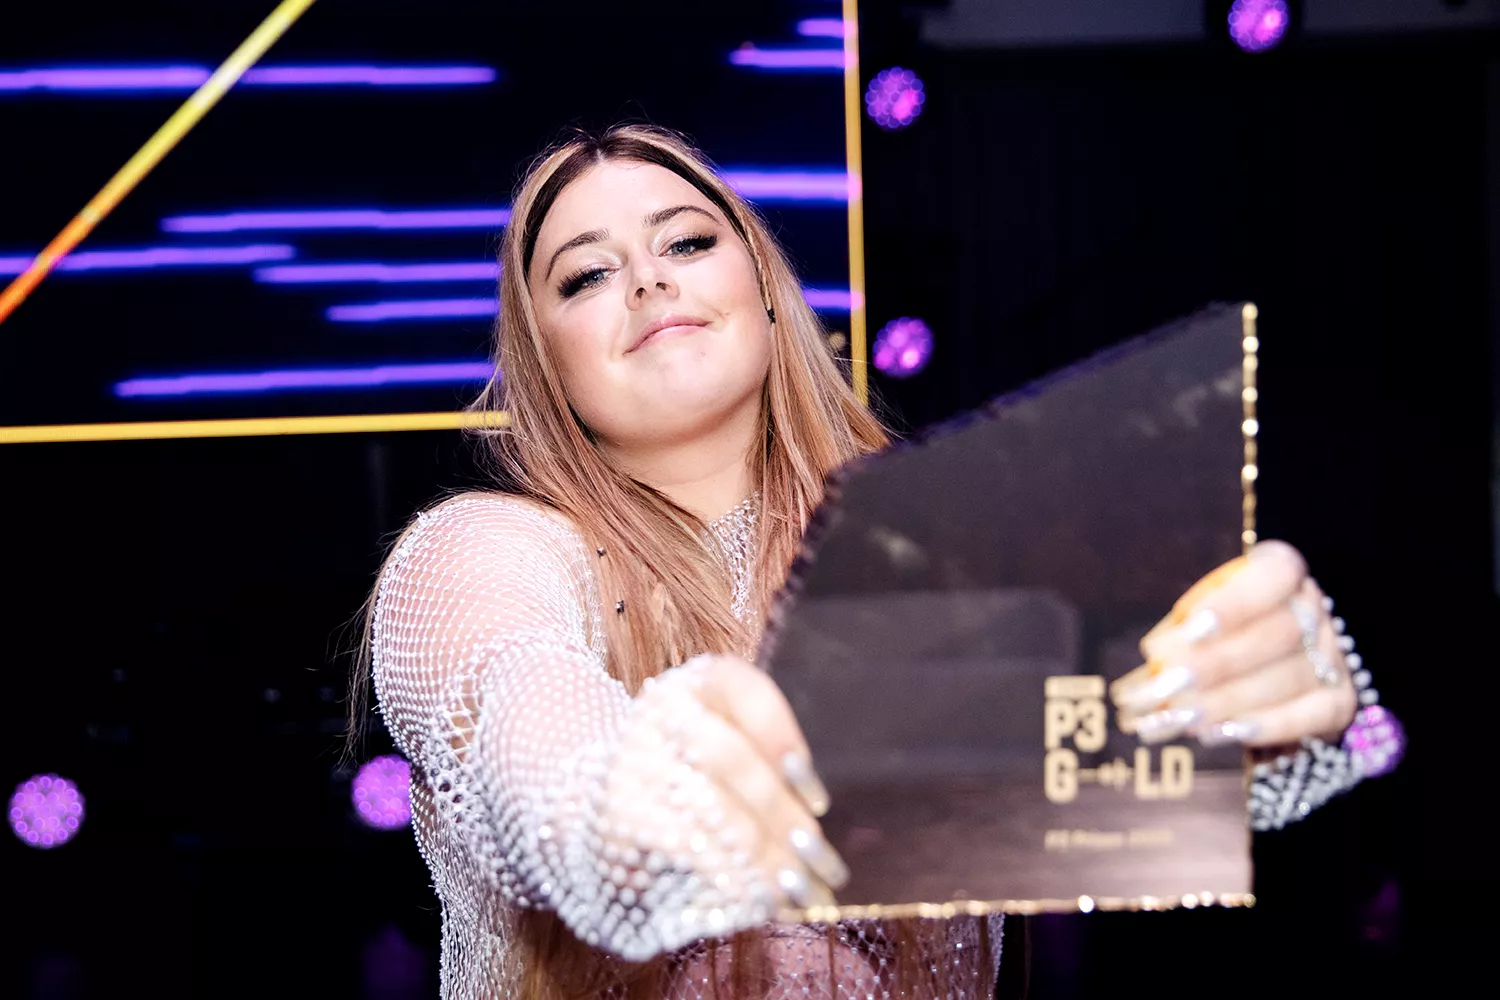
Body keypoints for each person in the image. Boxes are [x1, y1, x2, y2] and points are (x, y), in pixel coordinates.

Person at [356, 124, 1395, 999]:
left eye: (687, 240)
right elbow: (535, 743)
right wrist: (627, 806)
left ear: (766, 290)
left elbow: (1133, 750)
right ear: (545, 364)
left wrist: (1251, 705)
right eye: (587, 274)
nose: (649, 278)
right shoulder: (481, 552)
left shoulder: (951, 561)